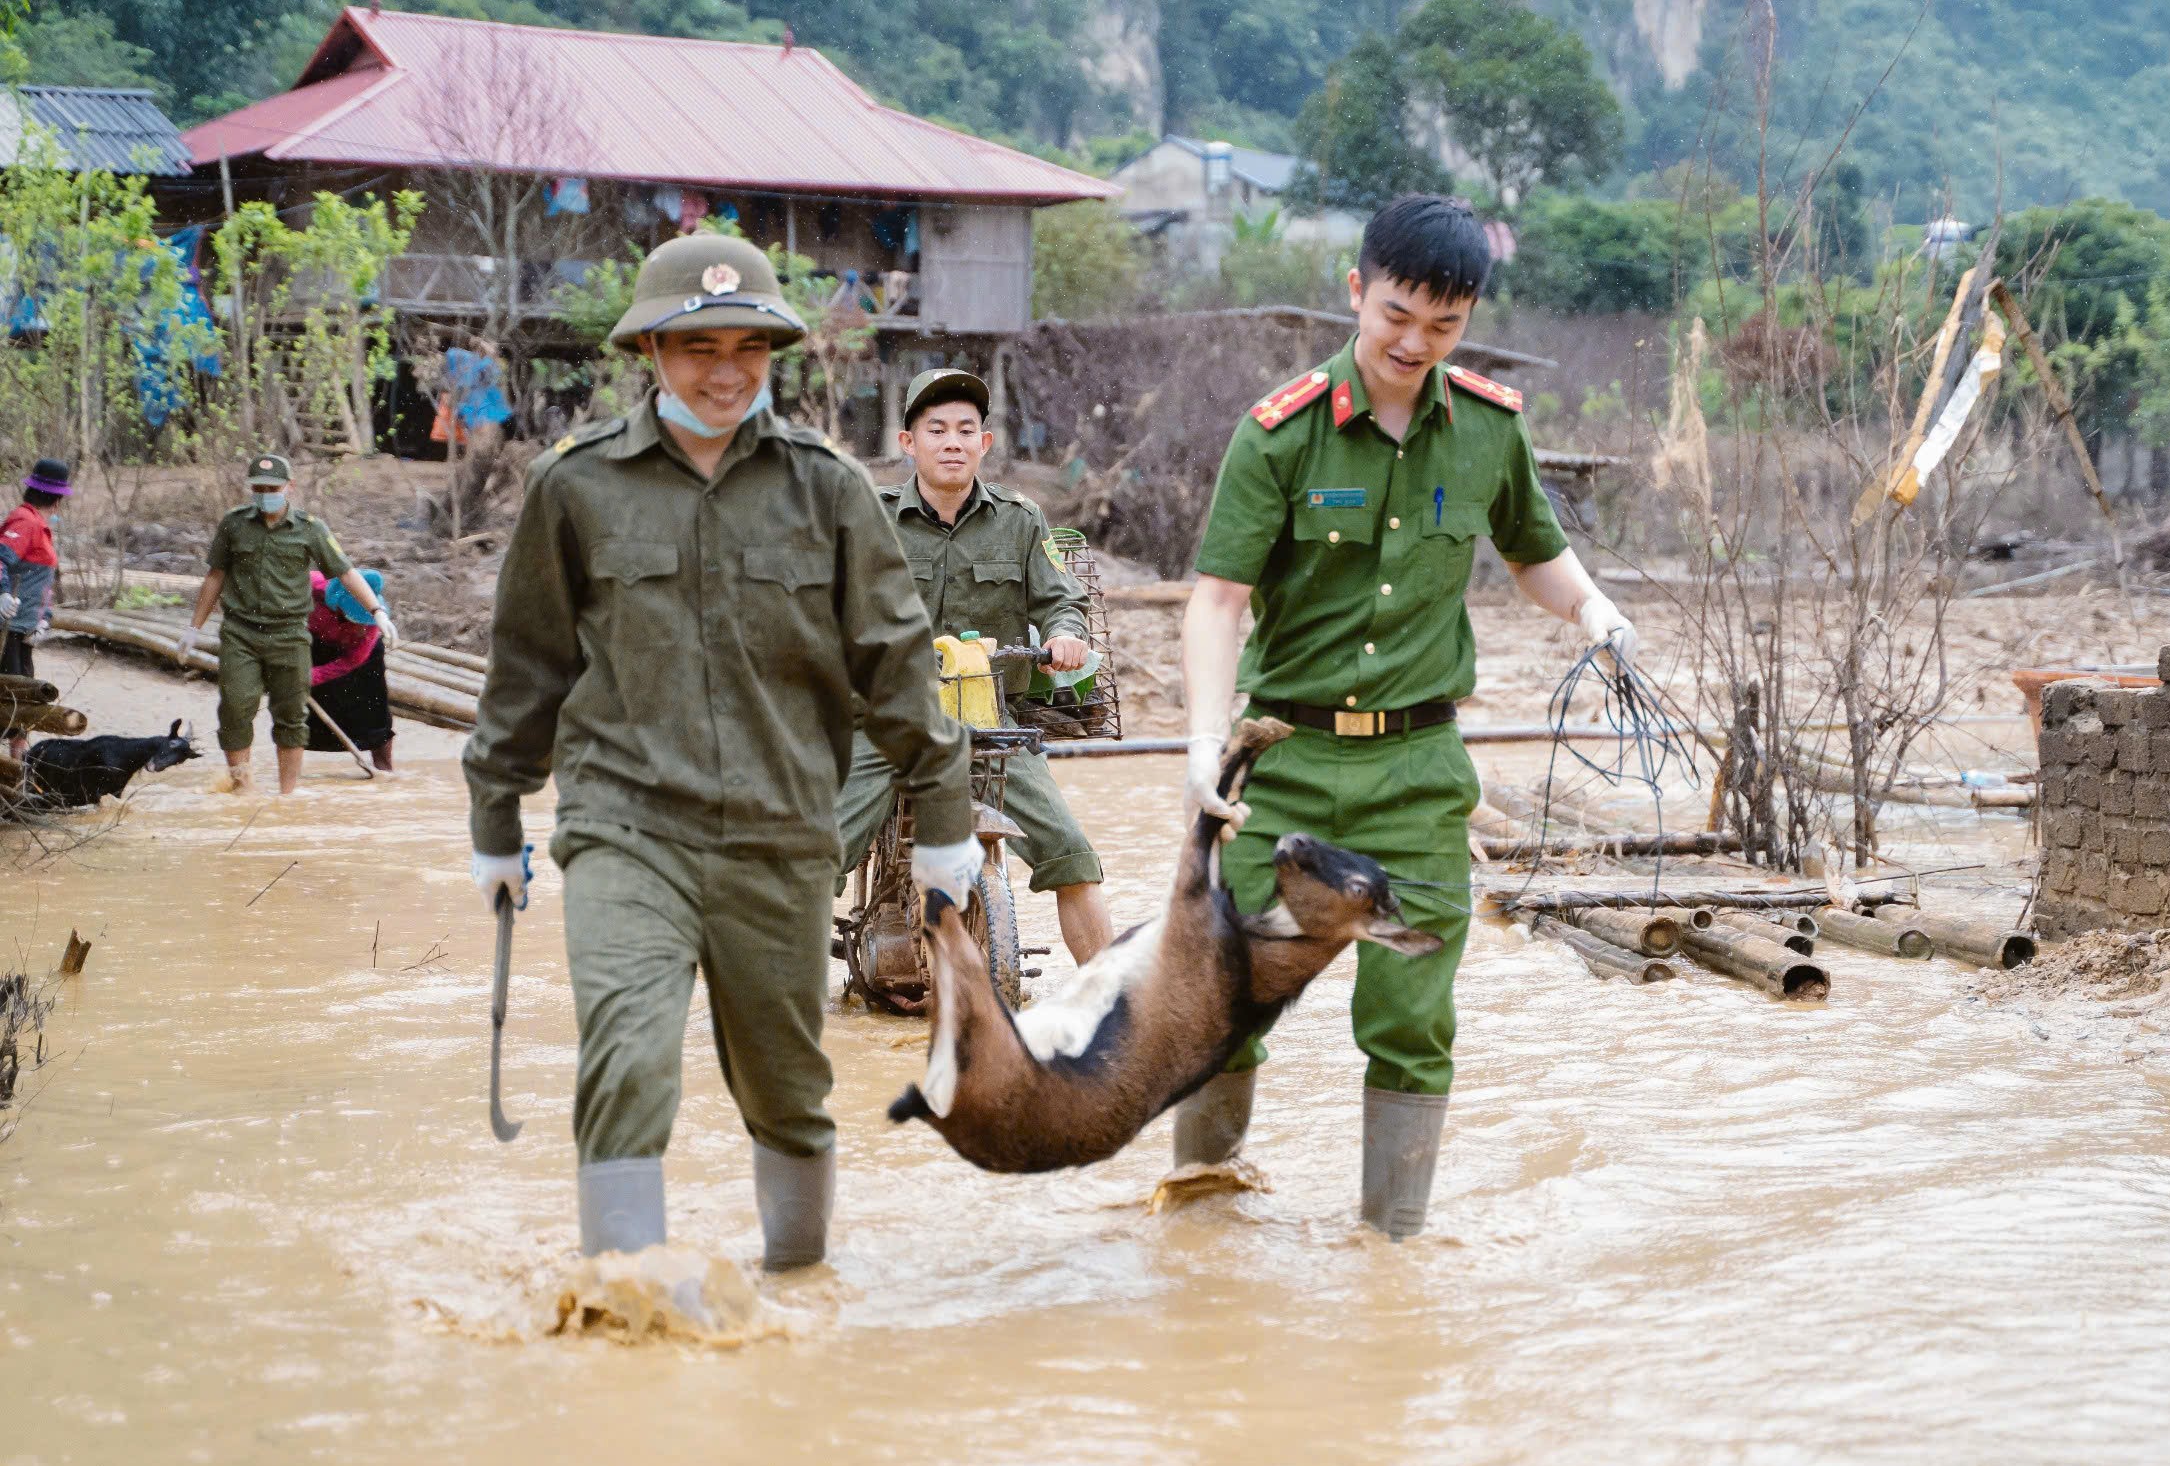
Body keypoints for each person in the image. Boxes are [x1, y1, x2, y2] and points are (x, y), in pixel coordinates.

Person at [464, 234, 977, 1270]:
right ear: (651, 348)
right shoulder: (576, 488)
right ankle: (624, 1311)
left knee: (788, 1088)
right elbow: (528, 668)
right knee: (627, 1056)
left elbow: (896, 664)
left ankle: (798, 1295)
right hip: (624, 830)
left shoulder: (828, 489)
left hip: (780, 837)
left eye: (750, 344)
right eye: (698, 344)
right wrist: (495, 824)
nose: (726, 368)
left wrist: (946, 823)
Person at [1177, 195, 1638, 1240]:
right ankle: (1198, 1236)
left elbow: (1534, 555)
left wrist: (1594, 609)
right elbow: (1216, 600)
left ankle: (1393, 1254)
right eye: (1395, 316)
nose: (1413, 344)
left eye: (1443, 326)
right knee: (1222, 1002)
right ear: (1356, 290)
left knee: (1412, 1020)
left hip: (1420, 778)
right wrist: (1206, 744)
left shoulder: (1486, 428)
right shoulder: (1280, 434)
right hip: (1281, 767)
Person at [834, 367, 1113, 963]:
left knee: (1072, 854)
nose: (952, 442)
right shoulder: (870, 517)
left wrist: (1067, 635)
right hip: (890, 718)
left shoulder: (1020, 519)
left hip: (991, 723)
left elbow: (1061, 599)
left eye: (966, 429)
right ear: (908, 442)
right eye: (936, 430)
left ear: (985, 444)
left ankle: (1116, 1009)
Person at [180, 454, 399, 797]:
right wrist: (193, 628)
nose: (266, 493)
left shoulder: (310, 528)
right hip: (241, 632)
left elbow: (344, 571)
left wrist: (376, 610)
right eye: (259, 488)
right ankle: (242, 787)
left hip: (291, 635)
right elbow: (215, 576)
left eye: (273, 487)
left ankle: (287, 796)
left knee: (291, 716)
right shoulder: (234, 524)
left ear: (289, 487)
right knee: (236, 707)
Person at [1, 457, 71, 762]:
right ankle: (18, 768)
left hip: (24, 631)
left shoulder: (39, 526)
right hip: (7, 629)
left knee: (24, 700)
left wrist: (44, 619)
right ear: (57, 501)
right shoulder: (25, 522)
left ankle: (19, 771)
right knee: (14, 700)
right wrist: (2, 593)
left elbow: (42, 584)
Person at [307, 568, 397, 772]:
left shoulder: (372, 626)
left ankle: (384, 769)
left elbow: (351, 661)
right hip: (314, 645)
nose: (361, 629)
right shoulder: (315, 587)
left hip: (359, 659)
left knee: (375, 713)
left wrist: (311, 677)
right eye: (356, 622)